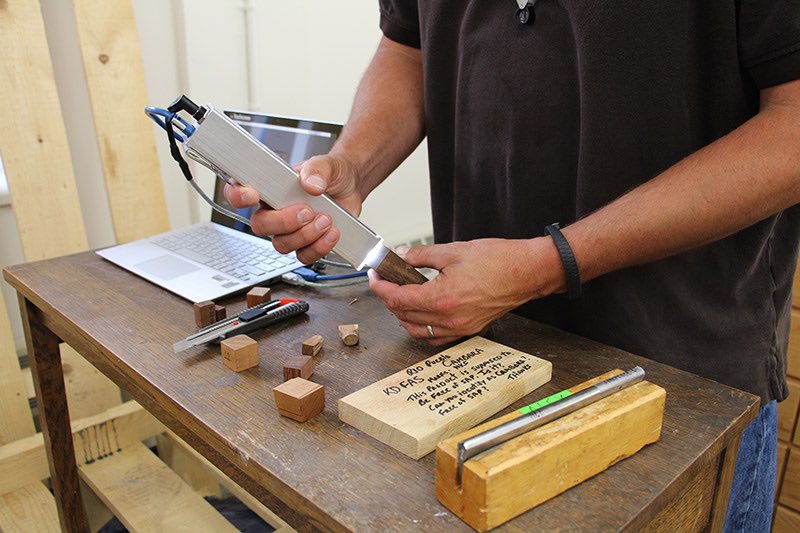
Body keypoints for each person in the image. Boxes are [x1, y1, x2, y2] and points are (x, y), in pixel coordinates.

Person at [225, 2, 800, 530]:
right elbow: (408, 46)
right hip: (478, 344)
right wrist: (354, 164)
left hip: (678, 368)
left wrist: (550, 262)